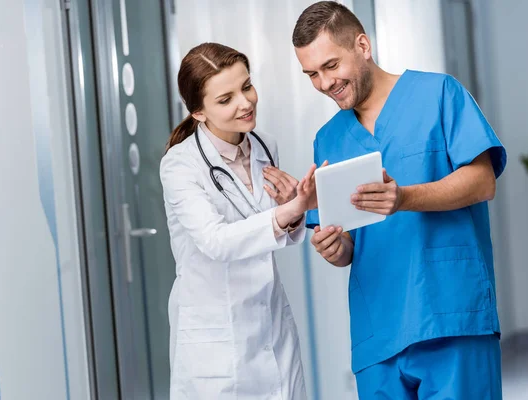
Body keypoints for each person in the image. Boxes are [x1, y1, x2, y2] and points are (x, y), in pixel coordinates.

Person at [292, 2, 507, 399]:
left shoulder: (438, 93)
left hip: (451, 313)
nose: (324, 83)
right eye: (312, 75)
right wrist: (333, 246)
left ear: (362, 45)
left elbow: (482, 182)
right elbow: (347, 247)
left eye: (331, 66)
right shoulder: (328, 139)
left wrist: (404, 197)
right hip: (379, 333)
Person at [160, 42, 317, 400]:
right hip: (215, 340)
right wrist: (289, 212)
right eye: (225, 98)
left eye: (246, 87)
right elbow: (216, 241)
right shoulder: (180, 165)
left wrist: (292, 211)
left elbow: (271, 229)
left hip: (270, 327)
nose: (245, 103)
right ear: (199, 112)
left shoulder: (264, 145)